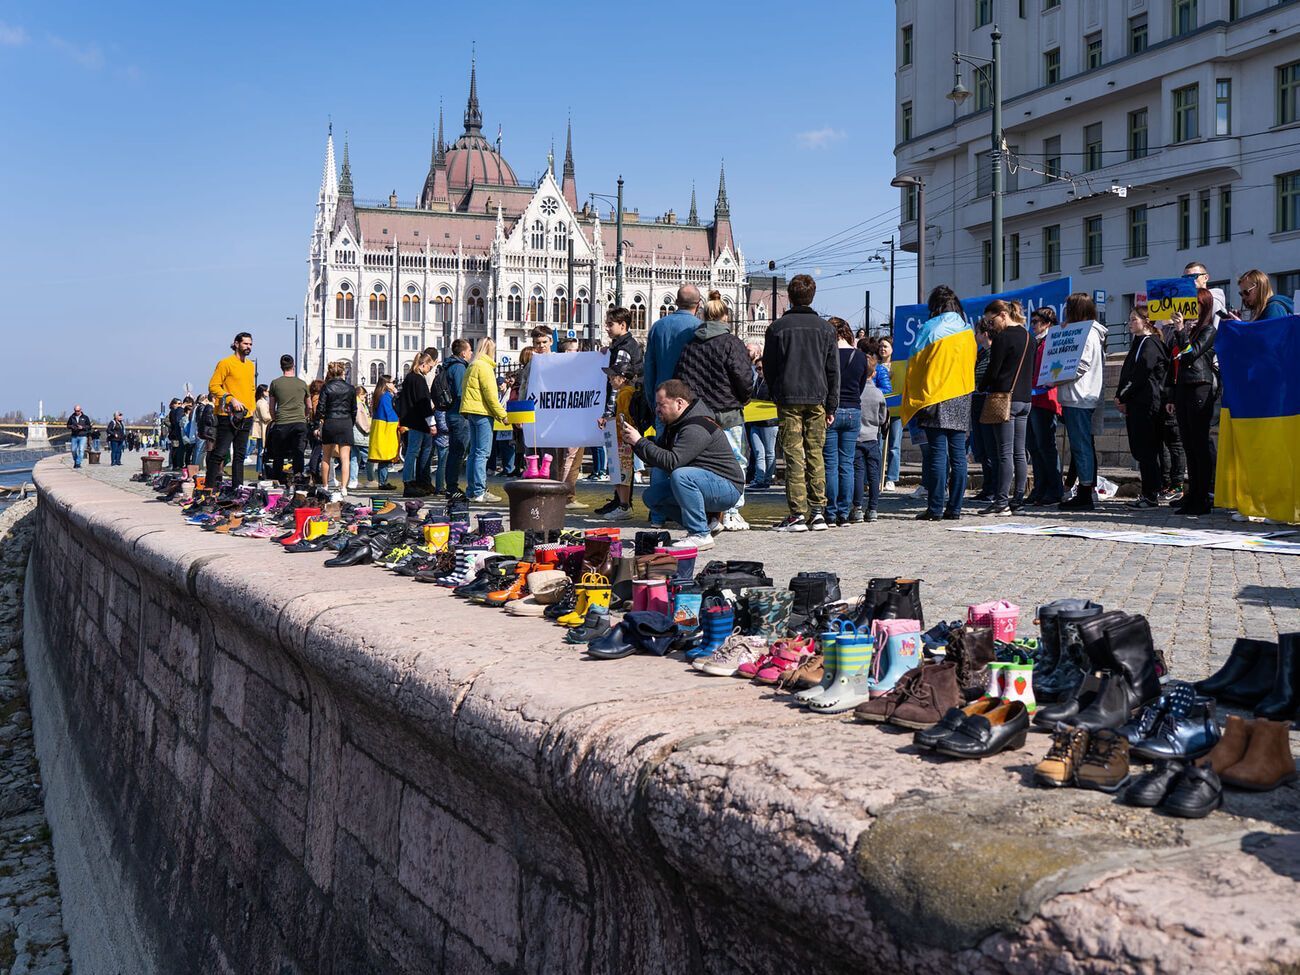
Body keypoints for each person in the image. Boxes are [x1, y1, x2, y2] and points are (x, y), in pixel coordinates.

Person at [622, 379, 744, 552]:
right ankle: (708, 523)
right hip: (707, 482)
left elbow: (672, 462)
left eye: (661, 404)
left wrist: (640, 442)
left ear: (679, 403)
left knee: (681, 475)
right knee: (652, 496)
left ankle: (700, 534)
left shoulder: (697, 426)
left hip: (728, 488)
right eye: (656, 405)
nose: (657, 410)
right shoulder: (677, 425)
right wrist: (634, 443)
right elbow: (659, 456)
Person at [762, 274, 838, 533]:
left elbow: (769, 367)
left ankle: (798, 512)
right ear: (812, 296)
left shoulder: (777, 328)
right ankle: (818, 512)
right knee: (816, 453)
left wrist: (774, 392)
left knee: (794, 455)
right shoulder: (827, 329)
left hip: (788, 397)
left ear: (790, 297)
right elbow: (832, 370)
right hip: (817, 397)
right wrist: (832, 406)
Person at [673, 290, 754, 531]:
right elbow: (744, 377)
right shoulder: (732, 343)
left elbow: (682, 380)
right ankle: (731, 511)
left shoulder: (691, 344)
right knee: (736, 462)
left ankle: (711, 515)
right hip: (728, 413)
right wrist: (742, 399)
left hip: (700, 417)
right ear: (725, 317)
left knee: (704, 464)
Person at [904, 285, 975, 521]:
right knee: (958, 457)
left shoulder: (929, 329)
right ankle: (955, 509)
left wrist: (912, 400)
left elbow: (914, 367)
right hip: (962, 396)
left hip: (935, 398)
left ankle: (934, 508)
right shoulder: (968, 332)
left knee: (936, 456)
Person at [977, 299, 1035, 515]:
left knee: (1004, 453)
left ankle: (1001, 501)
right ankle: (1018, 500)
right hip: (1025, 399)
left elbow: (993, 371)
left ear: (1002, 314)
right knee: (1020, 452)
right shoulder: (1029, 336)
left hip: (1004, 399)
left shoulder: (1003, 338)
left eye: (990, 322)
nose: (990, 327)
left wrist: (980, 386)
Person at [643, 285, 704, 488]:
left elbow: (649, 367)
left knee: (661, 454)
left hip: (662, 402)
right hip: (690, 405)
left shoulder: (658, 327)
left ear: (676, 302)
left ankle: (658, 510)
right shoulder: (699, 328)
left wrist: (653, 401)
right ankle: (681, 503)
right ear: (698, 304)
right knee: (690, 456)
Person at [1052, 294, 1108, 510]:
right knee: (1081, 446)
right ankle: (1085, 490)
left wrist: (1056, 378)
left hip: (1079, 396)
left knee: (1081, 446)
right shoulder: (1087, 332)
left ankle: (1085, 492)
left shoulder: (1088, 334)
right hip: (1078, 395)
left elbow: (1081, 365)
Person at [1166, 288, 1219, 516]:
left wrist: (1181, 333)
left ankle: (1203, 496)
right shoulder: (1190, 329)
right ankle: (1193, 494)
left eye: (1194, 304)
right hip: (1184, 388)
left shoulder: (1208, 330)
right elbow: (1175, 360)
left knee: (1199, 444)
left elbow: (1189, 354)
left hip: (1200, 386)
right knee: (1189, 445)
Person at [1115, 306, 1169, 510]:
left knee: (1147, 450)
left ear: (1146, 322)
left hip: (1147, 403)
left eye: (1133, 319)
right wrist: (1121, 395)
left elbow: (1141, 373)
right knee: (1141, 449)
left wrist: (1123, 394)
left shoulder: (1150, 344)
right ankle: (1149, 492)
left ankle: (1151, 494)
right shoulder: (1138, 343)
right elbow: (1128, 372)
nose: (1129, 323)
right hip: (1136, 403)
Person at [821, 317, 868, 527]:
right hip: (853, 411)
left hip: (830, 411)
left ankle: (830, 513)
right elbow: (861, 386)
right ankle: (844, 511)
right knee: (847, 464)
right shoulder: (860, 357)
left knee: (830, 464)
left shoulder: (826, 355)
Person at [204, 331, 256, 492]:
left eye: (250, 344)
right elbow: (213, 386)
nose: (248, 347)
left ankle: (237, 488)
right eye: (245, 343)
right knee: (219, 452)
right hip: (227, 415)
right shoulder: (225, 363)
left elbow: (251, 388)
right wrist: (229, 398)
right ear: (236, 343)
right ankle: (209, 488)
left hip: (246, 416)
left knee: (240, 456)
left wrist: (252, 409)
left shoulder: (250, 365)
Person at [460, 337, 508, 503]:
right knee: (482, 453)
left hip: (471, 412)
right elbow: (491, 396)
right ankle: (480, 490)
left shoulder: (472, 365)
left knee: (473, 453)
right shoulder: (485, 367)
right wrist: (503, 415)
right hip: (482, 413)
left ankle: (472, 490)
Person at [1026, 306, 1064, 506]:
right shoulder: (1035, 342)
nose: (1033, 325)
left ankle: (1054, 489)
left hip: (1046, 399)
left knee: (1046, 446)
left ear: (1047, 323)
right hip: (1032, 399)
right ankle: (1039, 488)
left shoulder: (1052, 341)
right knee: (1033, 447)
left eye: (1036, 322)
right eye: (1031, 322)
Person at [594, 360, 638, 520]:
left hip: (623, 439)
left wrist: (612, 420)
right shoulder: (624, 392)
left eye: (613, 377)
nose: (610, 380)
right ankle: (622, 504)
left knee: (622, 473)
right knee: (618, 473)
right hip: (621, 437)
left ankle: (624, 505)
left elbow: (625, 418)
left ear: (623, 377)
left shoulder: (626, 393)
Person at [854, 339, 888, 523]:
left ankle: (857, 508)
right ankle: (873, 508)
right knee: (874, 474)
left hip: (858, 437)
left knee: (858, 473)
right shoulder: (878, 393)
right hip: (873, 437)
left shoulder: (855, 392)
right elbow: (883, 417)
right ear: (874, 373)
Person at [266, 355, 311, 486]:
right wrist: (304, 416)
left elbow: (271, 406)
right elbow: (309, 406)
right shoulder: (302, 384)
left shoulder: (275, 383)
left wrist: (275, 418)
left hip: (282, 422)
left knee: (278, 454)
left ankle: (278, 479)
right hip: (299, 422)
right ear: (293, 366)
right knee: (299, 452)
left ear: (281, 366)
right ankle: (298, 478)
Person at [398, 353, 436, 497]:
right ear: (423, 364)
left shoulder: (409, 378)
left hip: (411, 420)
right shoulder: (418, 380)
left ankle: (413, 481)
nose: (430, 370)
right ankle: (410, 481)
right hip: (419, 422)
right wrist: (431, 422)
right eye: (429, 367)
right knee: (414, 452)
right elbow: (424, 402)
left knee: (413, 451)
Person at [317, 361, 356, 496]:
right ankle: (344, 487)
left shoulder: (326, 388)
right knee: (345, 457)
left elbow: (320, 409)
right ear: (343, 372)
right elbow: (354, 409)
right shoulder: (350, 388)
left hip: (330, 422)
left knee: (326, 457)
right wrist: (351, 422)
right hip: (345, 422)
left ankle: (326, 485)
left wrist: (322, 419)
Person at [743, 341, 778, 490]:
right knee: (758, 452)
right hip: (756, 422)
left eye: (761, 368)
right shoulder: (756, 382)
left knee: (769, 452)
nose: (758, 371)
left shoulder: (772, 383)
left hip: (769, 422)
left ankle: (767, 479)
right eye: (757, 369)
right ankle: (759, 479)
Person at [969, 322, 995, 502]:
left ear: (985, 333)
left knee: (989, 445)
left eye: (977, 332)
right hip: (976, 400)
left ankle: (993, 487)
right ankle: (987, 486)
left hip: (987, 400)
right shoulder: (980, 353)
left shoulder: (993, 353)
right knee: (981, 447)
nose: (975, 336)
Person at [442, 339, 472, 493]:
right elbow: (461, 393)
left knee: (455, 451)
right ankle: (452, 486)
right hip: (459, 413)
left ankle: (451, 484)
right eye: (469, 350)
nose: (471, 353)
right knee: (458, 451)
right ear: (463, 353)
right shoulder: (459, 367)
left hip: (452, 412)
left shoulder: (449, 366)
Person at [876, 337, 902, 492]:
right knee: (878, 444)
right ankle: (877, 476)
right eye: (880, 346)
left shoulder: (899, 366)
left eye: (885, 346)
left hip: (896, 409)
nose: (882, 349)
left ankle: (891, 478)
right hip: (879, 409)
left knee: (894, 445)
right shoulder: (876, 366)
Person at [421, 347, 447, 491]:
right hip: (432, 412)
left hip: (428, 413)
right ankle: (431, 483)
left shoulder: (426, 373)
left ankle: (425, 480)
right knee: (430, 451)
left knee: (426, 451)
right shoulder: (432, 373)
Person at [368, 375, 399, 489]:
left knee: (383, 457)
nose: (394, 384)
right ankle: (383, 482)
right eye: (392, 382)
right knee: (384, 457)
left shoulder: (379, 396)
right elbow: (390, 414)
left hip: (380, 429)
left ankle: (383, 481)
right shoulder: (385, 397)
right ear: (386, 384)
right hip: (386, 429)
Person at [1229, 268, 1294, 321]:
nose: (1243, 297)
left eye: (1246, 292)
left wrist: (1241, 326)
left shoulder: (1274, 308)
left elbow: (1268, 335)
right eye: (1241, 294)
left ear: (1259, 288)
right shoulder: (1263, 309)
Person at [350, 384, 371, 489]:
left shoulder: (352, 403)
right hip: (361, 435)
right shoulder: (359, 404)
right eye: (364, 396)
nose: (365, 398)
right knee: (368, 457)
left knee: (354, 458)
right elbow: (361, 420)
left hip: (353, 435)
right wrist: (368, 428)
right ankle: (370, 479)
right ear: (360, 394)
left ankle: (353, 480)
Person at [249, 385, 271, 474]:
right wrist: (273, 416)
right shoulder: (261, 403)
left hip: (262, 427)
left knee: (261, 450)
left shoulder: (261, 402)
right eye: (267, 391)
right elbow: (265, 417)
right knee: (261, 451)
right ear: (263, 392)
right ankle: (260, 470)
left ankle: (261, 470)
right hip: (262, 428)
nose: (268, 393)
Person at [193, 394, 216, 472]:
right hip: (205, 431)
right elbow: (202, 419)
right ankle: (198, 467)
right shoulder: (204, 407)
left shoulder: (200, 407)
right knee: (201, 450)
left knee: (201, 450)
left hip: (202, 431)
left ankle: (198, 466)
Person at [166, 399, 186, 470]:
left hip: (174, 433)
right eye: (179, 403)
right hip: (175, 433)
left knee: (175, 449)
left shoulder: (175, 411)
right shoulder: (174, 411)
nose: (180, 405)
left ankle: (175, 465)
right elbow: (170, 421)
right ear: (174, 404)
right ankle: (175, 465)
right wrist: (171, 426)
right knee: (175, 450)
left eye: (181, 403)